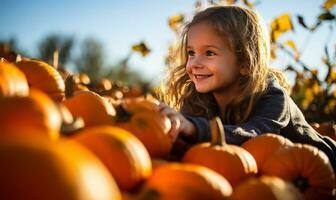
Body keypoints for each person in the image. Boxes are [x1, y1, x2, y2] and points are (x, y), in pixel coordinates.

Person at [157, 5, 336, 171]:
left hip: (321, 168)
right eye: (191, 53)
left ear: (245, 63)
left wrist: (194, 128)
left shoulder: (271, 96)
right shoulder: (198, 98)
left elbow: (256, 137)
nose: (194, 63)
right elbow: (189, 140)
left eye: (209, 53)